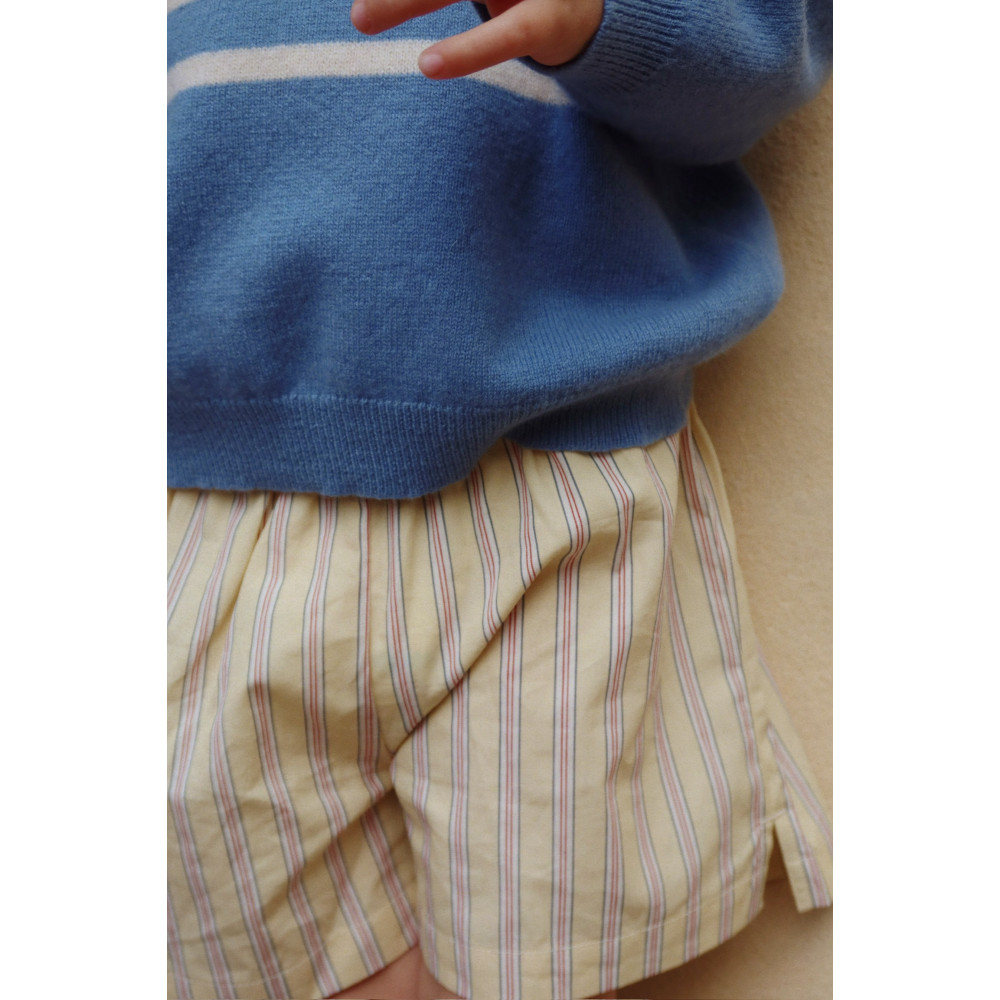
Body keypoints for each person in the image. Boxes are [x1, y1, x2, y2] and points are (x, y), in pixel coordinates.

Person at [167, 1, 833, 998]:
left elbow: (756, 63)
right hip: (211, 478)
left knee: (538, 947)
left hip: (558, 480)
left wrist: (604, 17)